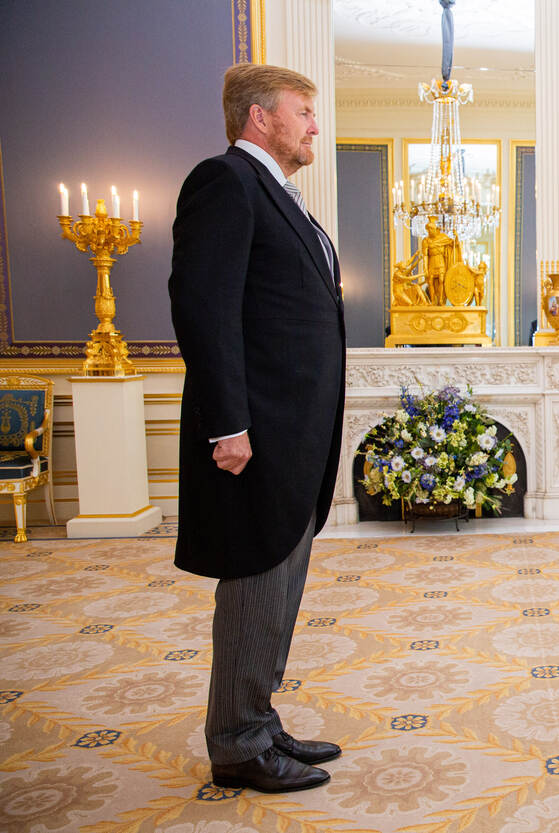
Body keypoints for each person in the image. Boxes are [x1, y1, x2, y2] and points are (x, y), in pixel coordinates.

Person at [169, 63, 346, 792]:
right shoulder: (225, 181)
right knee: (254, 582)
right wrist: (229, 426)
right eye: (303, 111)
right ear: (259, 117)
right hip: (254, 437)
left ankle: (256, 719)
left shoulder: (278, 195)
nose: (314, 125)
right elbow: (203, 308)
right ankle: (238, 744)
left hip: (292, 437)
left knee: (279, 584)